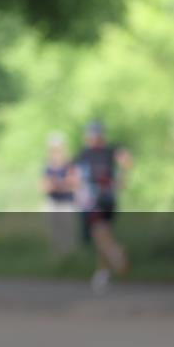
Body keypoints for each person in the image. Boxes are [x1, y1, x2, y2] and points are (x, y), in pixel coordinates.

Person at [72, 120, 132, 292]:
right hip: (109, 198)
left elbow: (75, 177)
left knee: (99, 233)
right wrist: (121, 179)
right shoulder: (110, 150)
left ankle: (116, 254)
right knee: (103, 233)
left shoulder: (85, 153)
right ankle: (102, 273)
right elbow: (127, 162)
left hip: (95, 199)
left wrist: (78, 193)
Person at [42, 132, 77, 254]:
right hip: (53, 202)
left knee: (67, 231)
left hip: (66, 202)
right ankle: (58, 258)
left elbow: (73, 183)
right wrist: (61, 184)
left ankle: (69, 257)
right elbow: (45, 186)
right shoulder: (48, 166)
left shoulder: (69, 164)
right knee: (54, 232)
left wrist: (58, 185)